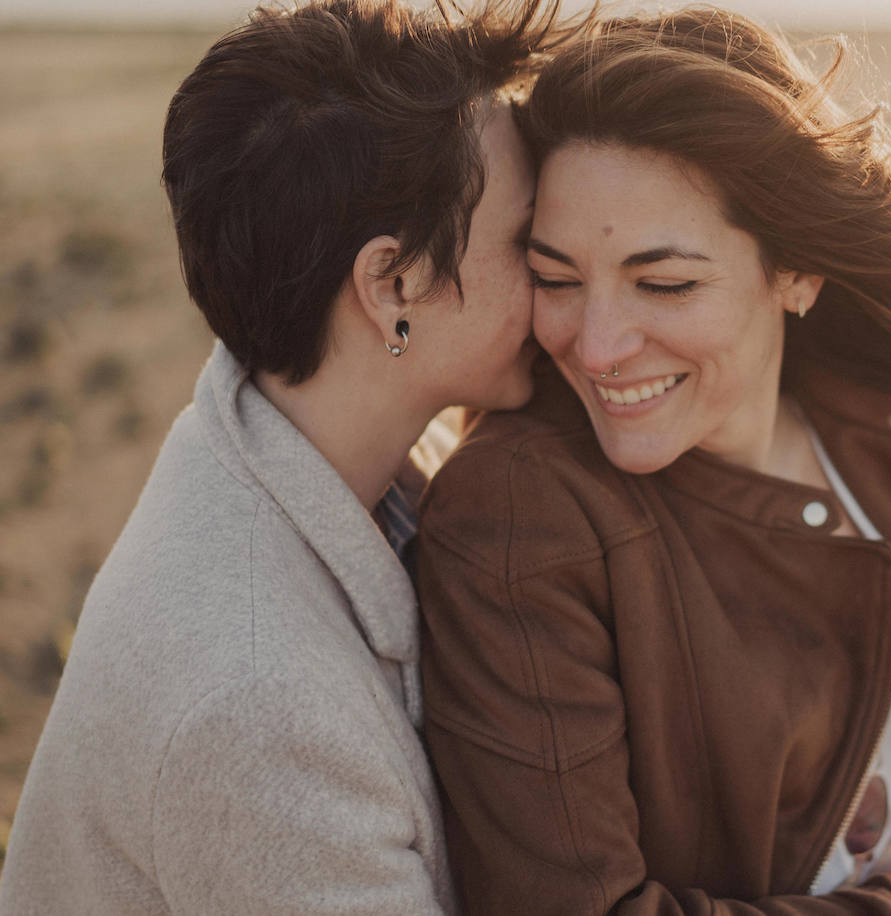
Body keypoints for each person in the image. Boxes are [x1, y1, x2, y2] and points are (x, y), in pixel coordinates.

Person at [413, 7, 891, 916]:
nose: (597, 345)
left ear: (797, 271)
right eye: (557, 277)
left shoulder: (876, 428)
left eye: (664, 284)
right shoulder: (523, 516)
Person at [0, 1, 568, 912]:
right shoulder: (260, 710)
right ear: (391, 287)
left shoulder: (306, 444)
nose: (559, 275)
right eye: (526, 240)